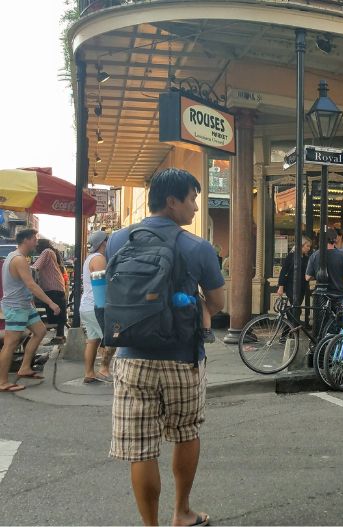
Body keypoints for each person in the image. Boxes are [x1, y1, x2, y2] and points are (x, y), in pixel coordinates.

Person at [106, 168, 224, 527]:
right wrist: (201, 309)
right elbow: (218, 302)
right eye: (192, 199)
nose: (195, 206)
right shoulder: (198, 246)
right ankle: (182, 512)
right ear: (172, 201)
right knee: (186, 433)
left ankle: (151, 526)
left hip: (131, 357)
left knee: (141, 450)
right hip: (182, 358)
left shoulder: (117, 240)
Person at [0, 229, 61, 393]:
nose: (36, 242)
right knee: (11, 343)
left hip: (25, 305)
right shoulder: (18, 259)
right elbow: (31, 285)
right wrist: (51, 303)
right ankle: (2, 382)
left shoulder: (16, 257)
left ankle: (25, 367)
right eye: (34, 239)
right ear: (26, 240)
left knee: (40, 331)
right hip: (16, 306)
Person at [305, 228, 343, 337]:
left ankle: (321, 349)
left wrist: (318, 275)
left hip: (321, 297)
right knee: (339, 326)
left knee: (321, 326)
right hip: (339, 295)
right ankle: (335, 349)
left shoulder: (315, 255)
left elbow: (307, 277)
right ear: (335, 239)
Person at [80, 230, 113, 384]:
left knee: (92, 340)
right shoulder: (99, 259)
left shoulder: (89, 259)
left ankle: (89, 373)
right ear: (103, 243)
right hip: (96, 305)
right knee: (111, 339)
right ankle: (104, 369)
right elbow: (101, 286)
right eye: (108, 239)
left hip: (86, 306)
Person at [32, 238, 67, 345]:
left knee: (55, 314)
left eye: (36, 245)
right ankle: (59, 336)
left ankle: (59, 337)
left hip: (52, 287)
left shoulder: (46, 252)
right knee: (57, 313)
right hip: (56, 287)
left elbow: (35, 267)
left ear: (41, 246)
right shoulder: (51, 252)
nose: (35, 247)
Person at [277, 236, 312, 311]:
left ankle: (293, 322)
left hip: (302, 287)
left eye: (310, 246)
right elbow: (284, 271)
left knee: (297, 308)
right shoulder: (291, 256)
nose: (309, 248)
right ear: (301, 245)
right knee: (295, 308)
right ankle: (291, 322)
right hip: (291, 286)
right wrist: (281, 286)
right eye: (307, 246)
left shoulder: (306, 258)